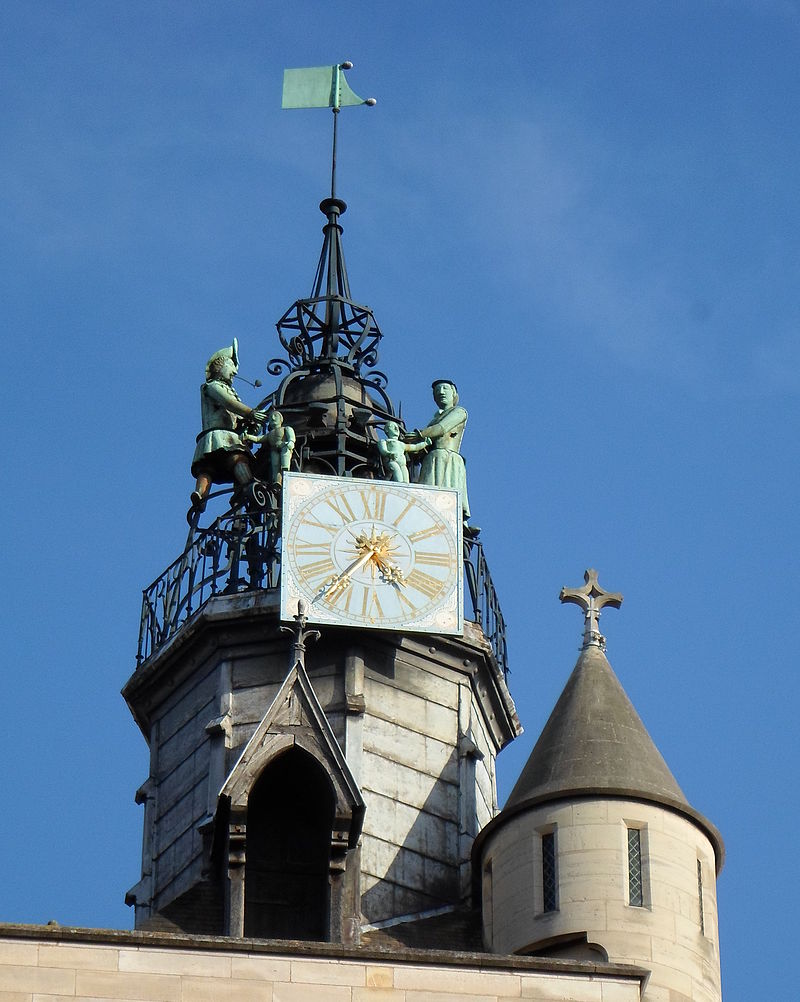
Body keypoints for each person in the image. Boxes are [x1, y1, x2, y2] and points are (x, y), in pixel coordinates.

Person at [190, 338, 267, 510]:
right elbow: (228, 402)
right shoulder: (211, 386)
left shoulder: (226, 388)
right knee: (236, 460)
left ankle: (243, 489)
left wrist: (248, 424)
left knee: (208, 468)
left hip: (225, 436)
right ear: (220, 365)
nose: (234, 373)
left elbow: (236, 419)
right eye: (232, 367)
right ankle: (246, 486)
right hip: (219, 436)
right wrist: (251, 413)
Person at [405, 379, 471, 522]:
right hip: (432, 458)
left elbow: (442, 428)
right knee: (428, 502)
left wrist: (419, 435)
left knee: (445, 501)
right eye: (437, 391)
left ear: (454, 392)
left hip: (446, 458)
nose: (440, 392)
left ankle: (457, 523)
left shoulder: (459, 412)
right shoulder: (433, 420)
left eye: (445, 389)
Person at [243, 411, 296, 485]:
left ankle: (287, 475)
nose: (273, 418)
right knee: (275, 466)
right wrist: (248, 436)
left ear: (281, 419)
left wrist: (291, 442)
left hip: (284, 446)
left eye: (275, 416)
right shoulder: (269, 434)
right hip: (274, 450)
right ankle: (277, 482)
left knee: (285, 462)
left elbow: (291, 436)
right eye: (270, 418)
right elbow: (258, 439)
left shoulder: (286, 428)